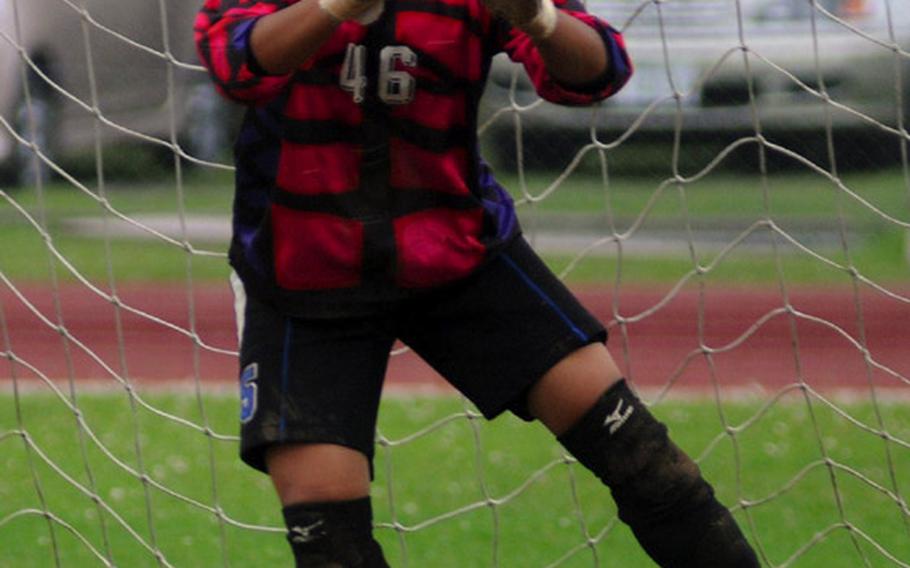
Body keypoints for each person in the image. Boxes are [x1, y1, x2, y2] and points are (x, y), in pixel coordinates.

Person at [194, 0, 760, 565]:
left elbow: (600, 70)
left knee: (642, 459)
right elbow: (231, 62)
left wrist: (538, 18)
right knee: (329, 539)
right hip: (306, 271)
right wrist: (331, 7)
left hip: (458, 252)